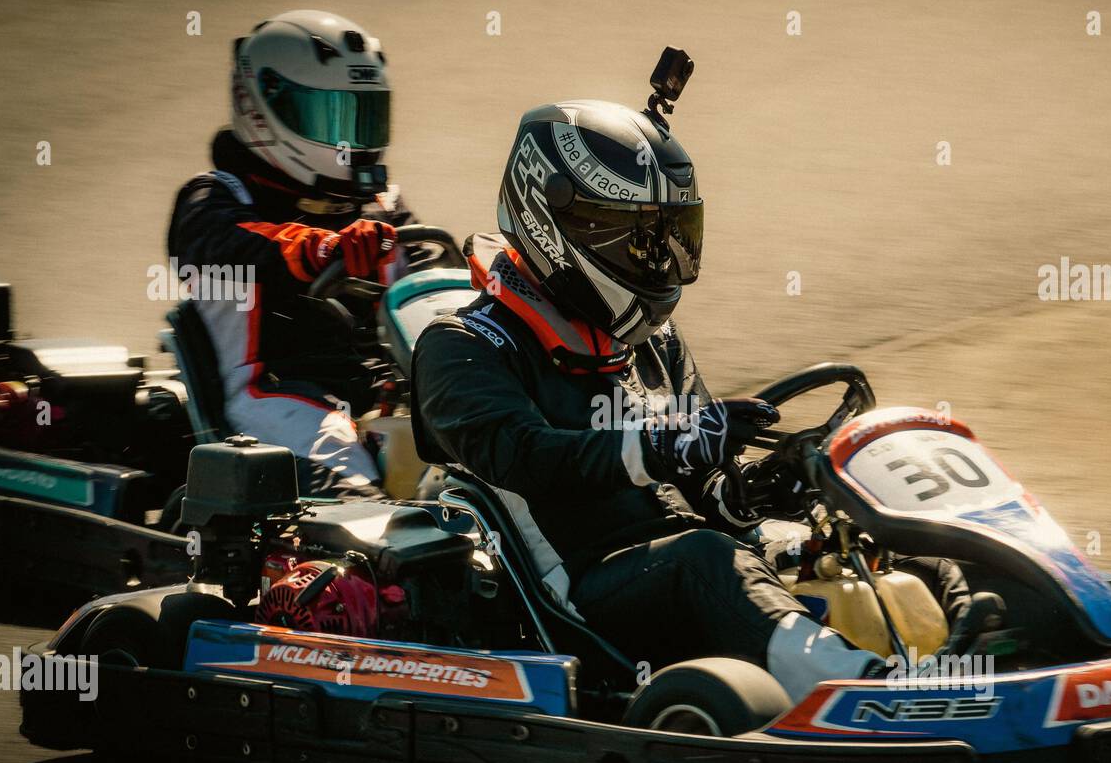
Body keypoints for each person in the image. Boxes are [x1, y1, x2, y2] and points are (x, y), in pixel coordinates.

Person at [413, 90, 985, 700]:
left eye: (668, 236)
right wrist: (668, 447)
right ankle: (871, 696)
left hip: (691, 553)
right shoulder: (464, 346)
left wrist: (757, 490)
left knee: (880, 530)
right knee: (707, 559)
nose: (660, 259)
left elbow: (705, 487)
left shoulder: (648, 340)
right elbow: (525, 455)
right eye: (638, 238)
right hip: (579, 593)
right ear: (559, 224)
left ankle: (1009, 641)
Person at [167, 9, 412, 498]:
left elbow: (431, 282)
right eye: (334, 117)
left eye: (362, 117)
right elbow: (230, 244)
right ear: (263, 108)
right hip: (271, 399)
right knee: (359, 494)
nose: (351, 143)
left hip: (383, 391)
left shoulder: (382, 209)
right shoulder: (216, 200)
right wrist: (323, 248)